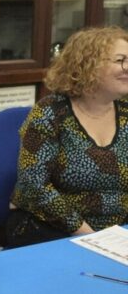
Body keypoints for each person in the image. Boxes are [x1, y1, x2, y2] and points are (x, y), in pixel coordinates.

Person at [7, 26, 128, 248]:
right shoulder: (50, 112)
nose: (127, 67)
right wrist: (91, 237)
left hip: (117, 235)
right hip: (53, 231)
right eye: (120, 60)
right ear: (87, 65)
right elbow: (34, 185)